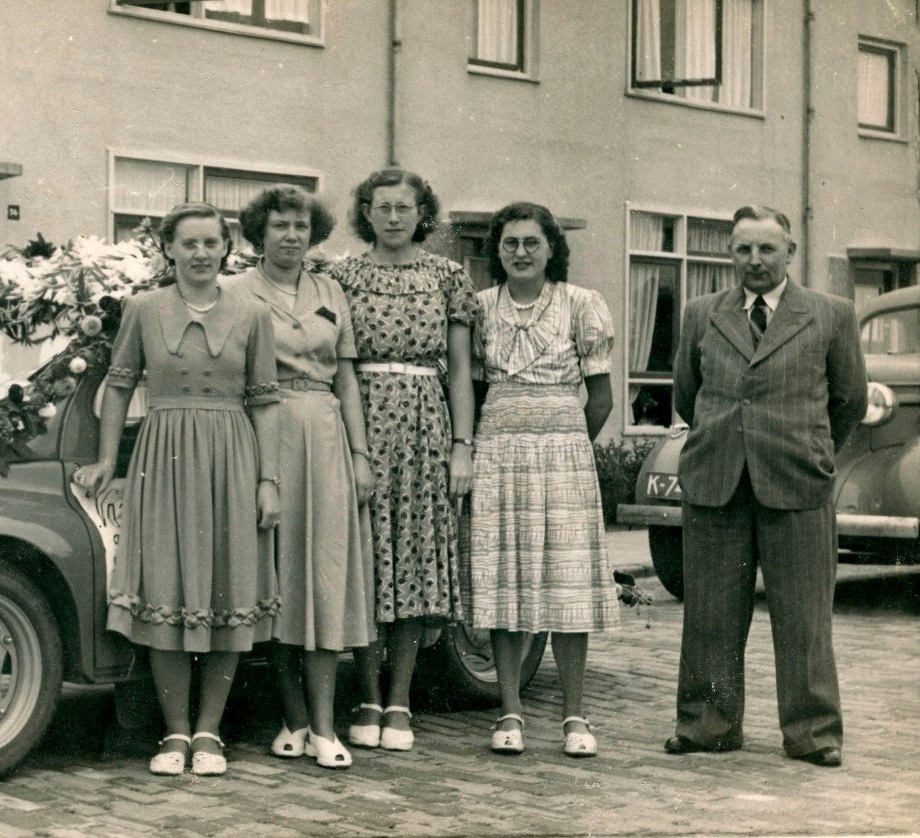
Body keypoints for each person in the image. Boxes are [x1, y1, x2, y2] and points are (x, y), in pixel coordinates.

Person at [74, 202, 283, 777]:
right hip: (162, 459)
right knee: (165, 583)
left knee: (225, 584)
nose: (199, 254)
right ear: (168, 249)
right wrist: (106, 461)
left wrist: (269, 480)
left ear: (226, 249)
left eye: (210, 243)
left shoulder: (252, 313)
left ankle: (210, 732)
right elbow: (118, 387)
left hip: (232, 458)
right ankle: (173, 732)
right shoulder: (143, 309)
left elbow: (265, 402)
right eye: (187, 244)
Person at [665, 205, 868, 768]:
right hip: (716, 480)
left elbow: (849, 399)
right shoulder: (702, 313)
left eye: (767, 249)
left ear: (790, 253)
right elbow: (688, 393)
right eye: (743, 249)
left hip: (797, 482)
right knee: (709, 613)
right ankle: (708, 724)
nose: (754, 260)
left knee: (804, 616)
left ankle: (813, 733)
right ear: (731, 253)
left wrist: (810, 448)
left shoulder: (831, 314)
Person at [464, 201, 622, 758]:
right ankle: (509, 713)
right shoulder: (480, 307)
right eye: (510, 244)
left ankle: (574, 717)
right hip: (498, 455)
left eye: (532, 242)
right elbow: (476, 393)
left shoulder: (582, 305)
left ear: (552, 248)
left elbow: (600, 399)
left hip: (563, 456)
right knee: (506, 579)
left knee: (566, 585)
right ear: (497, 251)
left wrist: (563, 436)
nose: (522, 253)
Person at [224, 185, 374, 770]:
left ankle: (326, 726)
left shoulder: (331, 291)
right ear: (259, 232)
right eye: (280, 225)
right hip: (262, 433)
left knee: (324, 574)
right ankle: (293, 718)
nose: (291, 235)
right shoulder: (237, 292)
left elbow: (347, 379)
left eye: (301, 227)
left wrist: (360, 455)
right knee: (278, 575)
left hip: (325, 437)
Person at [329, 168, 478, 752]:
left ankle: (400, 699)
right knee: (368, 561)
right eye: (382, 207)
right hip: (360, 423)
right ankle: (366, 694)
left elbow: (462, 370)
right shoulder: (341, 276)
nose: (393, 217)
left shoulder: (447, 276)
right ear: (366, 212)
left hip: (426, 428)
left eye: (404, 207)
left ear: (423, 213)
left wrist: (462, 446)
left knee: (414, 560)